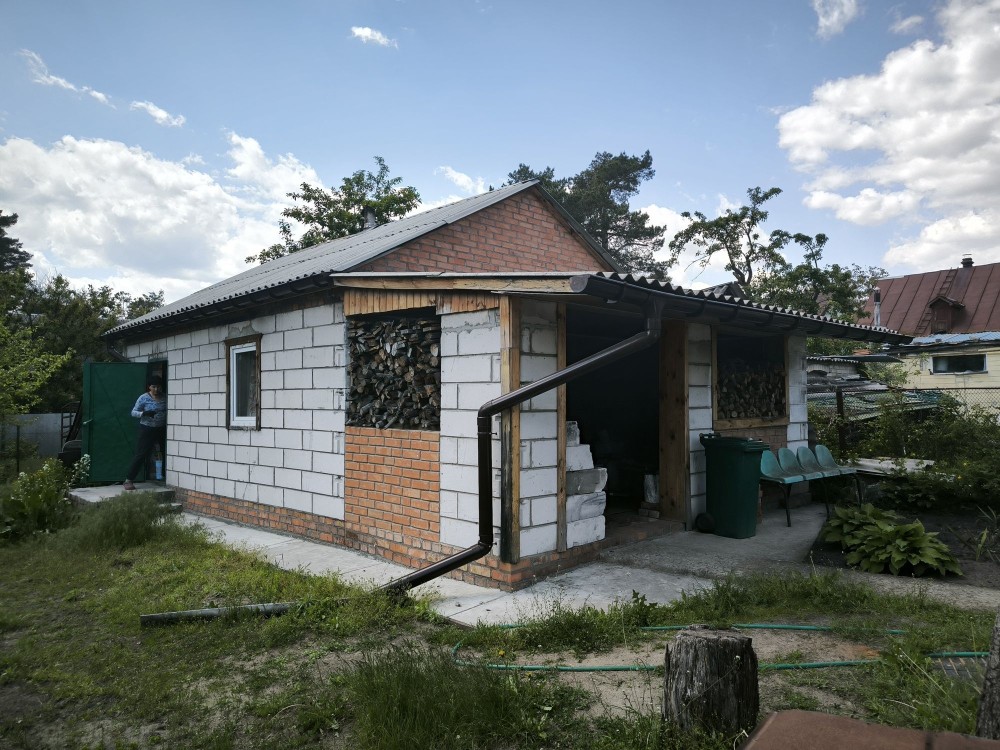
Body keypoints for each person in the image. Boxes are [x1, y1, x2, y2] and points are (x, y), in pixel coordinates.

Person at [123, 376, 167, 490]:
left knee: (164, 451)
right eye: (154, 387)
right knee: (141, 454)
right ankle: (129, 479)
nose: (156, 389)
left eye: (158, 387)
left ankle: (164, 476)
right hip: (147, 428)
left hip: (161, 428)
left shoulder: (165, 397)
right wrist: (144, 413)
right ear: (149, 387)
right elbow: (133, 412)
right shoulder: (143, 398)